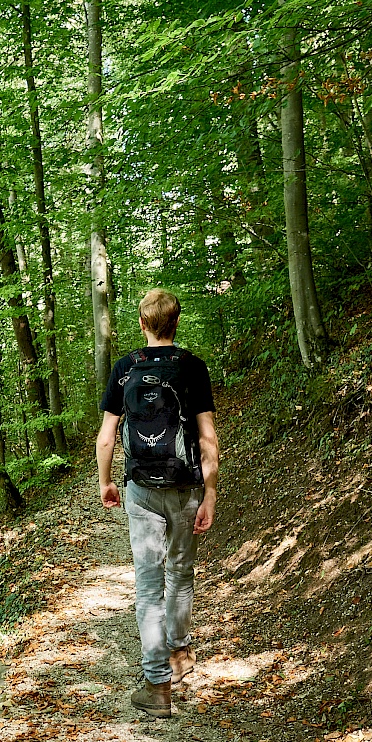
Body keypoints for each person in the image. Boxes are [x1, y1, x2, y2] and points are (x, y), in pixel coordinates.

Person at [97, 288, 219, 718]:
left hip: (142, 490)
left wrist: (106, 482)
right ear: (176, 322)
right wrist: (210, 493)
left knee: (149, 584)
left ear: (143, 324)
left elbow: (108, 436)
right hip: (186, 488)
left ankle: (156, 685)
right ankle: (181, 655)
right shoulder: (192, 367)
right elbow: (206, 437)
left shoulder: (125, 368)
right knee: (181, 571)